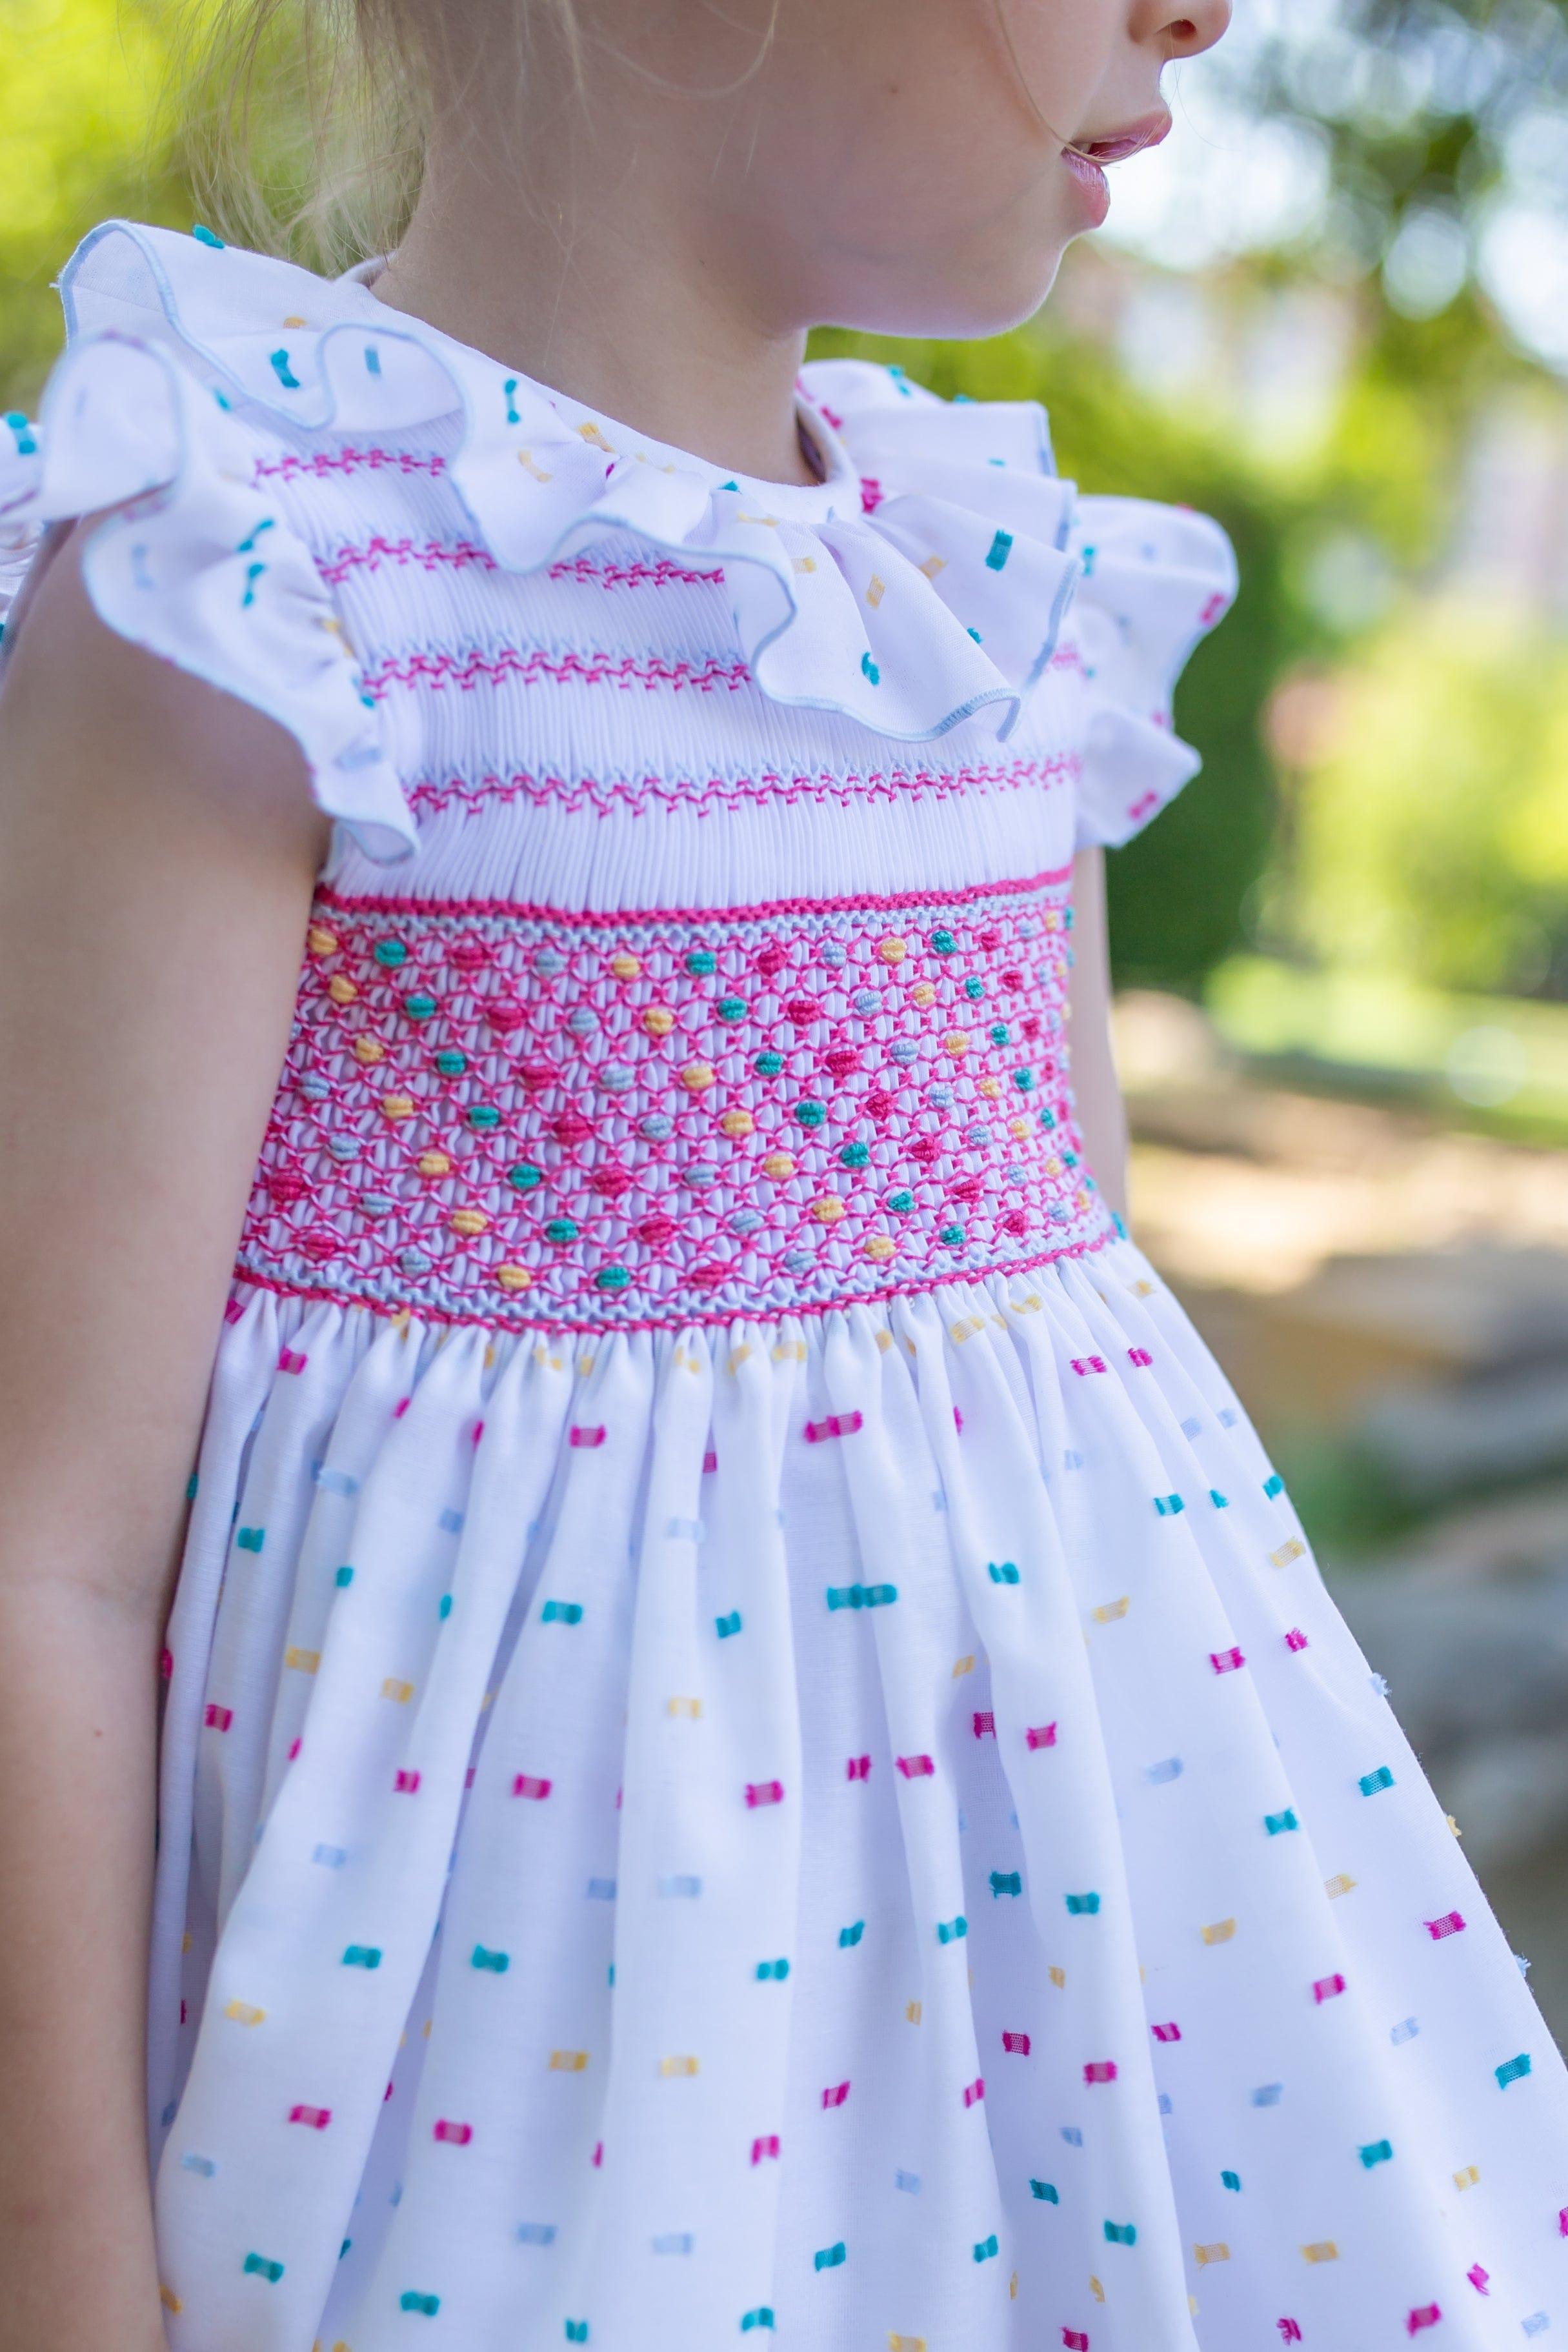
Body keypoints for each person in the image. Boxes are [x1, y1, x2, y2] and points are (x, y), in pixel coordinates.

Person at [3, 1, 1565, 2346]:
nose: (1209, 11)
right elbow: (42, 1543)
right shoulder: (263, 561)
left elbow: (1073, 1400)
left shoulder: (981, 602)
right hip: (505, 2093)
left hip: (1062, 2039)